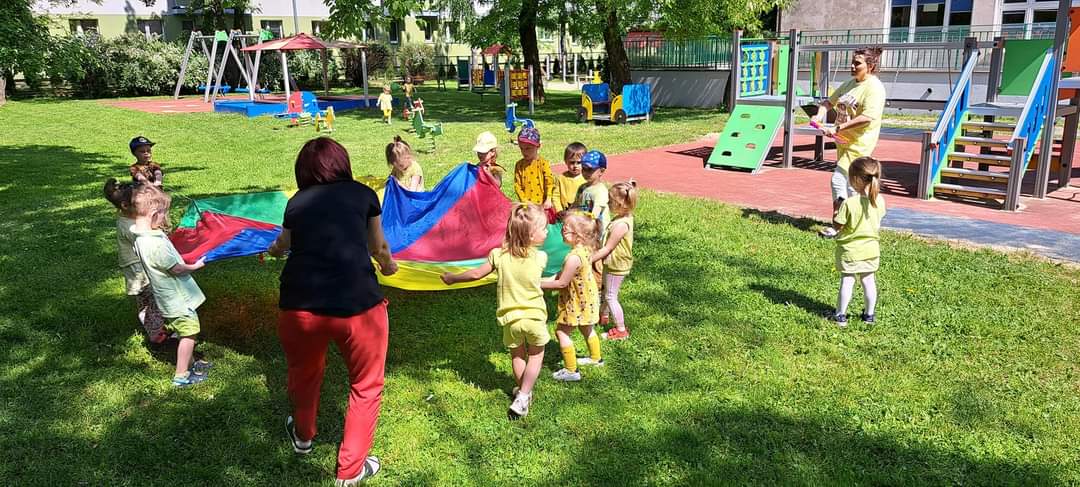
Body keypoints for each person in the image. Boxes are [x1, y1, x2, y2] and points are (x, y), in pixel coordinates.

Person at [268, 137, 399, 486]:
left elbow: (284, 243)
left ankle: (303, 437)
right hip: (359, 306)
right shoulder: (363, 195)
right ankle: (351, 470)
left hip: (299, 306)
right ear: (342, 163)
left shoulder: (297, 202)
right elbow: (378, 246)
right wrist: (388, 266)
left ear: (303, 170)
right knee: (366, 384)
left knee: (304, 373)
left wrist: (273, 250)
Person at [441, 204, 549, 419]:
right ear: (531, 235)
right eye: (544, 228)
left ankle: (522, 393)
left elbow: (475, 274)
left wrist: (453, 278)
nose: (547, 232)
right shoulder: (540, 257)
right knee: (536, 356)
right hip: (535, 316)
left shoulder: (498, 255)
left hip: (510, 319)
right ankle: (524, 395)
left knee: (517, 355)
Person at [130, 185, 209, 386]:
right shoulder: (155, 244)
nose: (166, 218)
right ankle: (181, 376)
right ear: (153, 214)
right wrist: (196, 265)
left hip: (167, 298)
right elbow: (177, 269)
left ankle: (191, 363)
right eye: (164, 213)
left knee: (184, 331)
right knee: (189, 333)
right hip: (177, 299)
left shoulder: (140, 238)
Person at [811, 47, 885, 238]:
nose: (852, 66)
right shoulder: (849, 84)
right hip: (843, 143)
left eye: (857, 63)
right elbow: (828, 103)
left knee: (843, 183)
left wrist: (838, 128)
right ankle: (855, 223)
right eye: (852, 62)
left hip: (859, 144)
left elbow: (867, 117)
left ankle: (842, 225)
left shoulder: (874, 88)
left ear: (870, 66)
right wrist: (819, 115)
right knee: (851, 186)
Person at [542, 211, 604, 382]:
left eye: (566, 228)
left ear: (578, 235)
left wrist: (537, 284)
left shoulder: (573, 258)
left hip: (576, 301)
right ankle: (596, 358)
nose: (562, 230)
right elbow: (561, 276)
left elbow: (562, 283)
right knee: (587, 328)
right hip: (587, 299)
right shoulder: (585, 250)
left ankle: (571, 371)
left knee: (561, 332)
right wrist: (544, 280)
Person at [104, 178, 167, 344]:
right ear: (126, 206)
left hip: (136, 267)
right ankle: (157, 333)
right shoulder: (130, 227)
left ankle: (154, 327)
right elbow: (148, 240)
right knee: (154, 298)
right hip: (138, 270)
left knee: (146, 301)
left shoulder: (126, 217)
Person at [827, 156, 886, 327]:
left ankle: (840, 316)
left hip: (850, 251)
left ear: (856, 180)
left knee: (848, 281)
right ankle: (869, 315)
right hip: (871, 250)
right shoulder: (879, 200)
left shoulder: (849, 203)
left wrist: (837, 209)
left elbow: (837, 225)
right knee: (869, 281)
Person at [592, 181, 637, 341]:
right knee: (606, 292)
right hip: (612, 263)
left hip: (616, 264)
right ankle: (603, 316)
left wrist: (588, 259)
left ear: (621, 203)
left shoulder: (621, 225)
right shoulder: (621, 217)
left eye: (611, 201)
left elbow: (608, 248)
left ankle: (621, 330)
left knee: (611, 296)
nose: (608, 203)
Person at [512, 127, 554, 208]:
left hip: (542, 205)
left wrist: (548, 199)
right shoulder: (519, 165)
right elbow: (517, 185)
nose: (524, 152)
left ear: (538, 146)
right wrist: (524, 202)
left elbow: (549, 182)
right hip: (526, 206)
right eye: (521, 148)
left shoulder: (543, 163)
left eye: (528, 148)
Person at [573, 150, 610, 231]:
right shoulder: (582, 188)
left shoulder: (601, 191)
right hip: (583, 227)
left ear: (601, 171)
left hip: (597, 231)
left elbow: (595, 215)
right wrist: (568, 214)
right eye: (584, 169)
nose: (585, 172)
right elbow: (575, 206)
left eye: (589, 169)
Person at [551, 142, 587, 213]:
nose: (575, 166)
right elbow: (556, 196)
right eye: (572, 162)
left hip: (582, 214)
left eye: (579, 162)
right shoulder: (560, 178)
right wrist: (559, 210)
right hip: (565, 213)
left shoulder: (587, 178)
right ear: (566, 161)